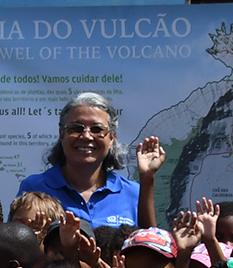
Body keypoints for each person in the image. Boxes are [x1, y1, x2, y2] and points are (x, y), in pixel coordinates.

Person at [16, 92, 142, 230]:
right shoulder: (34, 187)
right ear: (62, 134)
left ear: (111, 137)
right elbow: (18, 246)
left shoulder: (133, 193)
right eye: (76, 128)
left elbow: (148, 246)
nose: (87, 136)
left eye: (97, 129)